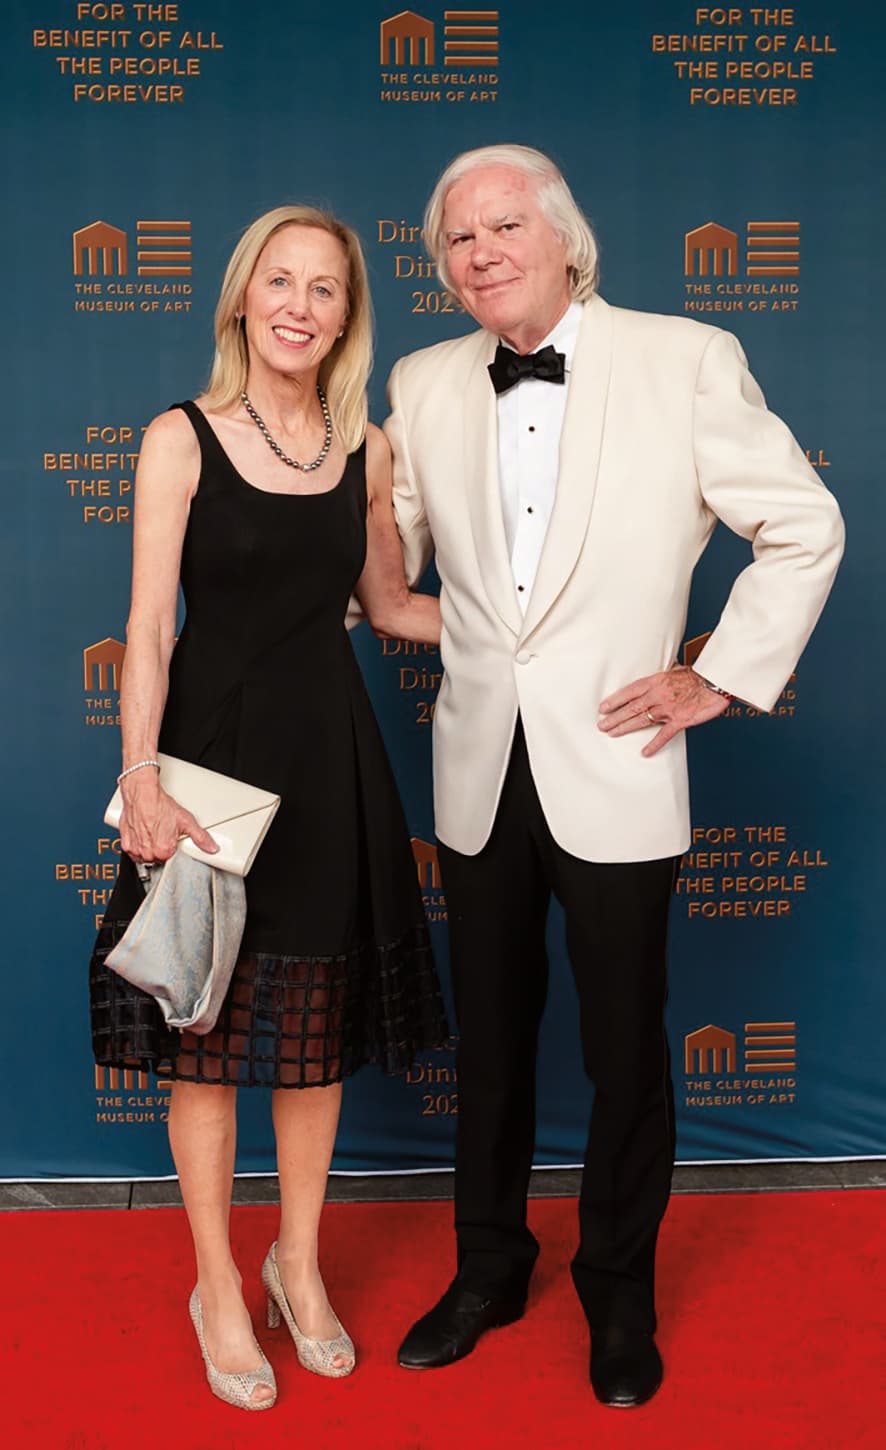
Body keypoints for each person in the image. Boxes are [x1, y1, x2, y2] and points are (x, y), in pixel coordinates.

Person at [386, 145, 844, 1406]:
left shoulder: (682, 358)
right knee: (489, 1043)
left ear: (565, 240)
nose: (479, 252)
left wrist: (719, 675)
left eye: (502, 226)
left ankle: (619, 1291)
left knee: (624, 1049)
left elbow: (804, 522)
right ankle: (488, 1269)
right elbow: (386, 565)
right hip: (477, 766)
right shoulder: (420, 381)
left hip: (621, 761)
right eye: (456, 238)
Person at [89, 205, 448, 1411]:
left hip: (331, 759)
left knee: (310, 1036)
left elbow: (392, 610)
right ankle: (216, 1284)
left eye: (324, 288)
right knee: (205, 1034)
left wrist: (554, 630)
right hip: (206, 765)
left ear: (348, 315)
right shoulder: (178, 437)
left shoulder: (367, 450)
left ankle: (298, 1263)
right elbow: (148, 627)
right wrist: (140, 776)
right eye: (279, 281)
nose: (299, 304)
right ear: (243, 297)